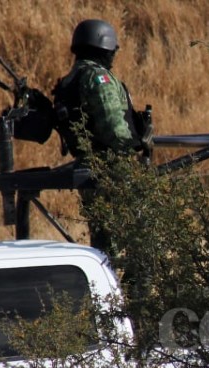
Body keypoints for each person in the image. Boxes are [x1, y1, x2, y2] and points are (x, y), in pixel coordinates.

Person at [52, 18, 152, 253]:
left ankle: (107, 286)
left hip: (88, 167)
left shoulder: (70, 80)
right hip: (112, 169)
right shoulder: (100, 79)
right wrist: (137, 145)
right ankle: (135, 290)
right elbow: (113, 129)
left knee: (103, 241)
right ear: (104, 48)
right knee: (141, 238)